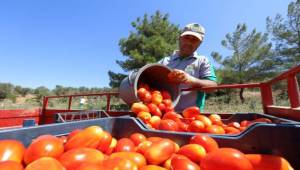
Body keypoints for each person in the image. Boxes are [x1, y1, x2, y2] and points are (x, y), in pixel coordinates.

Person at [158, 23, 217, 112]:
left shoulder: (203, 61)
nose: (189, 42)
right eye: (187, 37)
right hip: (163, 115)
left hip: (191, 118)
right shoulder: (164, 62)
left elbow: (213, 87)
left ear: (200, 43)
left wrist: (190, 80)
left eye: (194, 39)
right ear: (180, 38)